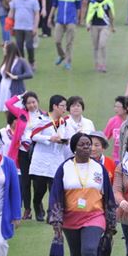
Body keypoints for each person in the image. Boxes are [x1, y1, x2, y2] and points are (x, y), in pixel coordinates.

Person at [48, 132, 117, 256]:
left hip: (95, 216)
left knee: (89, 249)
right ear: (74, 148)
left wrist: (110, 224)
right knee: (76, 254)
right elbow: (56, 195)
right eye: (82, 144)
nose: (87, 147)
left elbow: (107, 196)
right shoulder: (64, 168)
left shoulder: (99, 168)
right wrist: (56, 221)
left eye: (89, 144)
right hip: (71, 218)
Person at [29, 94, 75, 222]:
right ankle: (37, 205)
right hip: (42, 160)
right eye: (62, 106)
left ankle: (52, 214)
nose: (64, 109)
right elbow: (33, 136)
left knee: (54, 188)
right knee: (39, 189)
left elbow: (70, 137)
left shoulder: (64, 122)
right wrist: (50, 138)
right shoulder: (42, 120)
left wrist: (66, 141)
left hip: (56, 159)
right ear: (54, 106)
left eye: (65, 106)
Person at [5, 92, 48, 220]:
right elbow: (8, 104)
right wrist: (19, 96)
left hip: (38, 151)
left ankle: (38, 204)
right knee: (25, 181)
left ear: (38, 102)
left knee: (39, 181)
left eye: (33, 102)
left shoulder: (45, 115)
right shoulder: (21, 113)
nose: (31, 105)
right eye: (28, 103)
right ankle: (27, 209)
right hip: (23, 151)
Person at [47, 0, 82, 71]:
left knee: (69, 42)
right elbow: (54, 5)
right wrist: (50, 17)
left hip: (71, 20)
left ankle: (67, 62)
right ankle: (62, 55)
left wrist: (78, 19)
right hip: (60, 20)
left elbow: (79, 8)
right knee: (57, 41)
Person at [0, 42, 34, 112]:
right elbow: (0, 75)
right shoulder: (6, 60)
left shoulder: (21, 61)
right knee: (6, 111)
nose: (3, 50)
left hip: (15, 89)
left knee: (15, 112)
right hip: (3, 90)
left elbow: (29, 74)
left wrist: (16, 77)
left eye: (5, 48)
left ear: (10, 50)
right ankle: (8, 123)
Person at [9, 0, 40, 70]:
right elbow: (12, 11)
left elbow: (37, 14)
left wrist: (35, 27)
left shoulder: (33, 0)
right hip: (18, 26)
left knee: (29, 46)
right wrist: (9, 23)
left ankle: (31, 62)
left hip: (29, 27)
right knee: (19, 46)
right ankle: (22, 64)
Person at [86, 0, 115, 72]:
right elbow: (89, 13)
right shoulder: (93, 2)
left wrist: (112, 26)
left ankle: (103, 64)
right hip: (94, 25)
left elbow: (111, 15)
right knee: (95, 46)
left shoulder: (107, 2)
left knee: (102, 44)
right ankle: (97, 63)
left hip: (104, 26)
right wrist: (88, 23)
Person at [104, 96, 128, 163]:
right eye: (115, 106)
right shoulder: (112, 121)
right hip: (117, 159)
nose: (115, 109)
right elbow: (104, 138)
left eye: (118, 107)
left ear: (126, 108)